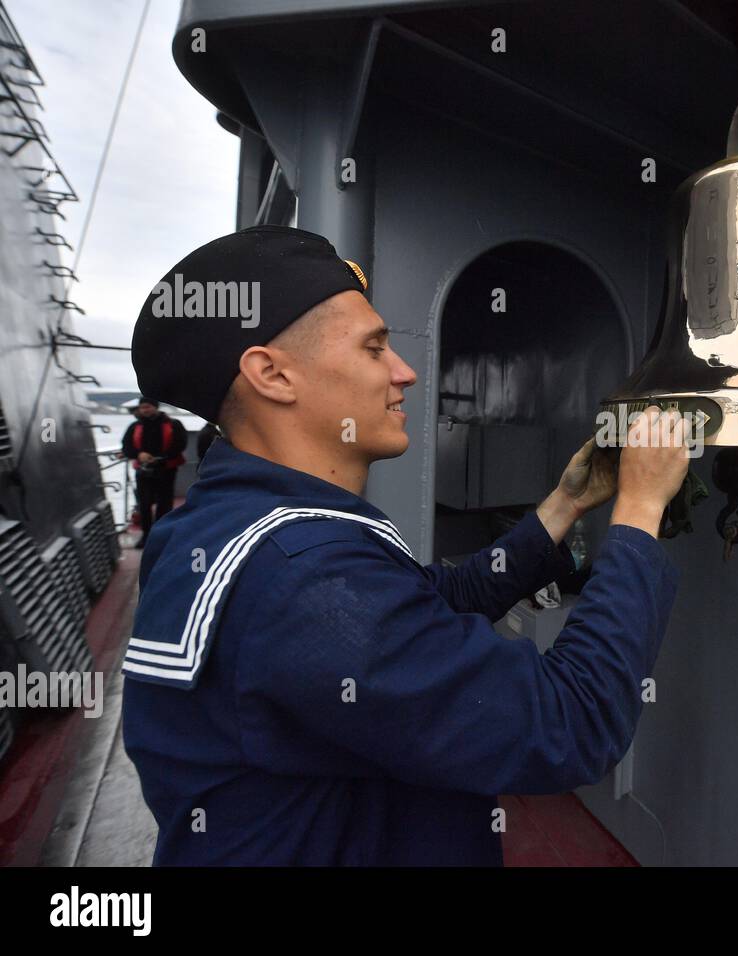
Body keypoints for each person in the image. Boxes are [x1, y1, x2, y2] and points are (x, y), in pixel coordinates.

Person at [121, 224, 689, 865]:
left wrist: (565, 505)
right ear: (273, 375)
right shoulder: (301, 579)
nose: (406, 372)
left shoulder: (229, 530)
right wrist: (640, 511)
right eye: (374, 349)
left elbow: (429, 603)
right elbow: (570, 720)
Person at [119, 397, 188, 548]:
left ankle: (162, 534)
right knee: (144, 504)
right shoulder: (134, 426)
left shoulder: (174, 424)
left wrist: (161, 458)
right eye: (142, 407)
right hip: (144, 471)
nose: (145, 410)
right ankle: (146, 535)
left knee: (164, 503)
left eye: (148, 407)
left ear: (155, 407)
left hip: (166, 469)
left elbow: (180, 444)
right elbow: (126, 446)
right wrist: (139, 455)